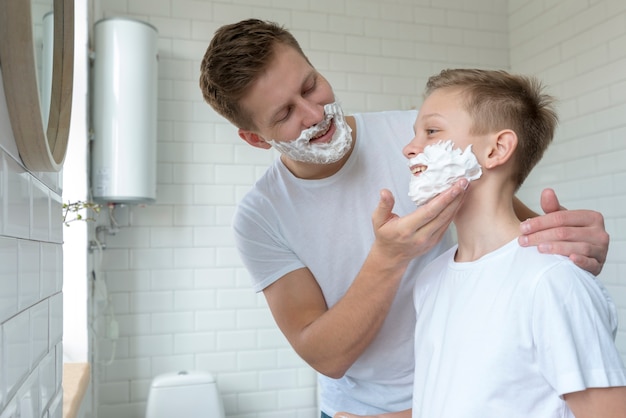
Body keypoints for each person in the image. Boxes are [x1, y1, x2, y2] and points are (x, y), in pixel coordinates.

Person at [198, 19, 611, 417]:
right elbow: (326, 355)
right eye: (284, 114)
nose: (314, 113)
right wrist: (389, 258)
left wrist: (568, 249)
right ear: (255, 138)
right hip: (371, 405)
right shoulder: (261, 217)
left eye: (311, 85)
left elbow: (509, 228)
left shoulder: (418, 135)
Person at [337, 69, 626, 418]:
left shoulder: (550, 281)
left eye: (431, 131)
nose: (409, 148)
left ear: (496, 150)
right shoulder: (431, 279)